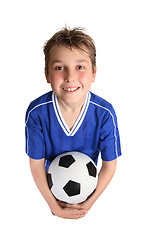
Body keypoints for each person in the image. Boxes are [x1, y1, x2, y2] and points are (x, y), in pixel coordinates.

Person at [25, 27, 122, 219]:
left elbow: (110, 164)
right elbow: (36, 165)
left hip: (88, 194)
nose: (70, 77)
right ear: (47, 74)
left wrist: (87, 205)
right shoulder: (37, 113)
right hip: (51, 192)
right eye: (59, 67)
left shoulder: (104, 113)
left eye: (80, 67)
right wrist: (55, 208)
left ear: (94, 73)